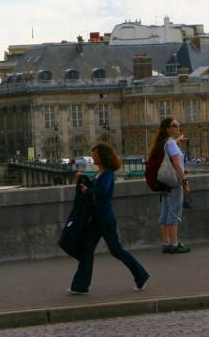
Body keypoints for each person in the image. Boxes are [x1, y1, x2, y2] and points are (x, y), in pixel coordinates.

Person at [69, 142, 149, 294]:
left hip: (105, 218)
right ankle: (80, 286)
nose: (93, 157)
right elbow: (96, 185)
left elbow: (103, 189)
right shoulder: (100, 172)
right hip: (96, 219)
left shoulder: (108, 173)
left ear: (102, 157)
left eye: (95, 155)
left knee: (116, 250)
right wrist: (83, 177)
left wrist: (87, 191)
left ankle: (141, 275)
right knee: (86, 250)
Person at [147, 118, 191, 254]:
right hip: (174, 182)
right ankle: (174, 244)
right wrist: (185, 181)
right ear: (167, 128)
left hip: (164, 183)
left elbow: (169, 150)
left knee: (165, 213)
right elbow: (177, 165)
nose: (178, 127)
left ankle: (166, 243)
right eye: (174, 126)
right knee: (174, 214)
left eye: (178, 125)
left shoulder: (163, 142)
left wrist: (178, 141)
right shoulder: (170, 143)